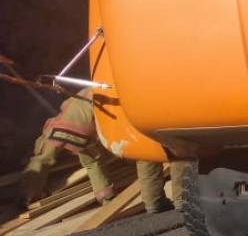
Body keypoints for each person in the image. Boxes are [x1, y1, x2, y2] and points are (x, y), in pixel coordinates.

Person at [20, 88, 185, 212]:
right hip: (85, 129)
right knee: (94, 162)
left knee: (45, 159)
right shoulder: (109, 87)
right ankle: (110, 199)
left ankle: (29, 194)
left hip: (65, 128)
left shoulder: (88, 90)